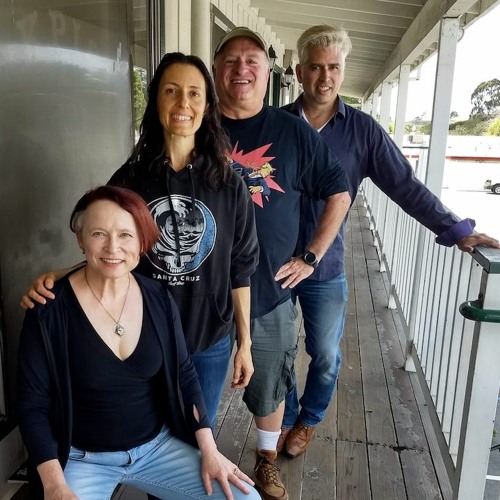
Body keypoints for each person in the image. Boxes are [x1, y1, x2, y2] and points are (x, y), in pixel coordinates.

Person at [278, 24, 500, 459]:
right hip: (274, 264)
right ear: (300, 71)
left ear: (344, 71)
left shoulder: (362, 131)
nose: (325, 77)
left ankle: (309, 418)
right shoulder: (276, 125)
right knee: (277, 352)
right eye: (316, 67)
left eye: (334, 68)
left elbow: (404, 186)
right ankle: (284, 417)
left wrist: (456, 229)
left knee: (325, 354)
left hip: (326, 264)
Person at [21, 52, 259, 428]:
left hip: (208, 341)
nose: (183, 103)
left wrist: (244, 343)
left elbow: (240, 269)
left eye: (194, 93)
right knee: (148, 435)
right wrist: (61, 276)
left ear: (208, 106)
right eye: (171, 91)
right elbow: (113, 251)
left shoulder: (229, 185)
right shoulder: (130, 180)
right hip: (144, 340)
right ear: (157, 101)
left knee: (200, 436)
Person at [16, 185, 260, 500]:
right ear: (80, 239)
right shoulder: (48, 310)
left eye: (125, 235)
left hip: (156, 448)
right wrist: (54, 485)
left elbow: (185, 376)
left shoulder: (158, 298)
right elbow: (32, 405)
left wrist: (210, 450)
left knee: (245, 497)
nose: (112, 247)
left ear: (142, 241)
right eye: (98, 234)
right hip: (82, 459)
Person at [212, 27, 351, 500]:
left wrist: (311, 256)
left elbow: (338, 190)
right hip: (199, 291)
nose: (242, 69)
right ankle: (194, 455)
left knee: (270, 382)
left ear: (269, 72)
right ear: (216, 70)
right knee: (194, 379)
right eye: (231, 60)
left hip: (268, 290)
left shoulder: (291, 132)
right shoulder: (197, 126)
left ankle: (266, 458)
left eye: (252, 60)